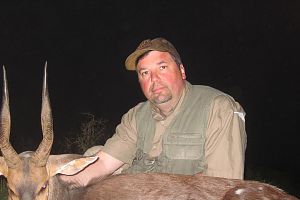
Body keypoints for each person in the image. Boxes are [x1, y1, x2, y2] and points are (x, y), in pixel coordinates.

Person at [61, 37, 246, 187]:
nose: (154, 79)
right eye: (145, 73)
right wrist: (54, 184)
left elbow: (222, 187)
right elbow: (103, 164)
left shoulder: (219, 108)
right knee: (92, 155)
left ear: (182, 70)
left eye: (162, 68)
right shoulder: (136, 116)